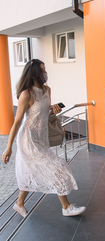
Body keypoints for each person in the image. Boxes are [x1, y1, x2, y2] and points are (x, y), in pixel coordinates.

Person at [2, 59, 86, 217]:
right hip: (27, 139)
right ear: (34, 73)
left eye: (44, 69)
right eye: (42, 70)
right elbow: (17, 122)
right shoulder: (26, 94)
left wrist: (53, 111)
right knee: (57, 167)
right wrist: (8, 147)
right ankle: (66, 207)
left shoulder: (47, 89)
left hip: (41, 137)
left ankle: (19, 204)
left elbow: (44, 114)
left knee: (30, 171)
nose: (45, 73)